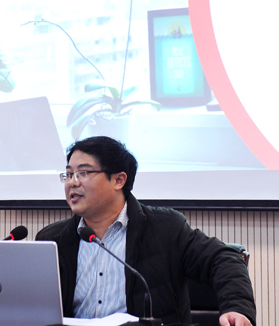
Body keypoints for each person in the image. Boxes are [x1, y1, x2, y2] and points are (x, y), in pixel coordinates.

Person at [36, 136, 256, 326]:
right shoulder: (52, 240)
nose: (72, 183)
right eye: (68, 175)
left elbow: (222, 258)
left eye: (83, 173)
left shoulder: (166, 228)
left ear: (119, 180)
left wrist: (236, 308)